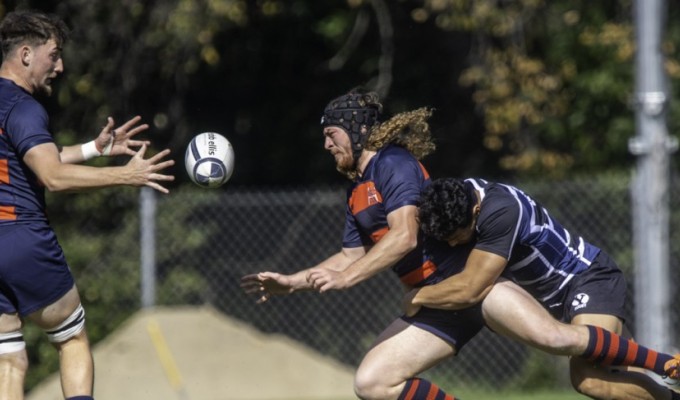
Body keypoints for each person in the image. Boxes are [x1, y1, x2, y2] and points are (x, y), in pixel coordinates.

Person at [241, 89, 678, 400]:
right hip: (437, 301)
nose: (325, 144)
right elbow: (350, 254)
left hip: (471, 286)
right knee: (372, 383)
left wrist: (349, 280)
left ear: (355, 130)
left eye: (331, 134)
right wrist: (292, 282)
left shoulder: (394, 164)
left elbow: (405, 234)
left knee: (565, 351)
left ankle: (667, 364)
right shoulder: (357, 190)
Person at [0, 10, 174, 400]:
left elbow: (32, 156)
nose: (60, 66)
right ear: (26, 54)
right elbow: (52, 177)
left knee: (8, 360)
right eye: (54, 54)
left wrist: (95, 149)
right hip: (22, 238)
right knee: (72, 339)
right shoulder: (24, 107)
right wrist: (126, 176)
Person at [410, 177, 680, 400]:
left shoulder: (501, 211)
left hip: (585, 279)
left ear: (475, 212)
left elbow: (471, 288)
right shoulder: (458, 196)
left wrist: (418, 296)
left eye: (458, 238)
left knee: (589, 380)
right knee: (623, 380)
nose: (454, 246)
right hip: (559, 298)